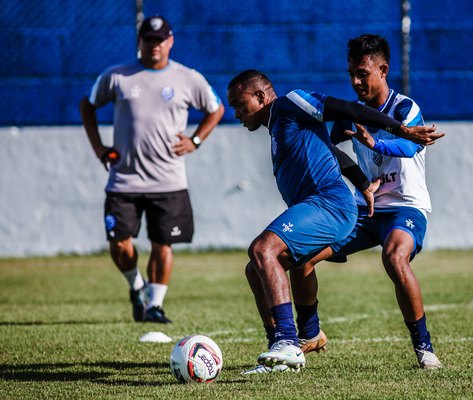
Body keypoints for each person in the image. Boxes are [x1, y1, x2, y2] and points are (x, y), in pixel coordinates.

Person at [226, 69, 443, 374]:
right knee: (257, 268)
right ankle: (282, 348)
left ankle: (288, 341)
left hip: (331, 205)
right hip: (329, 206)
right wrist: (363, 182)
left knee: (263, 250)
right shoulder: (280, 125)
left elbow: (350, 109)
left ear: (260, 96)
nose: (235, 112)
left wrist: (400, 130)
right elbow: (327, 149)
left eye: (239, 103)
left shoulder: (291, 102)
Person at [290, 34, 444, 370]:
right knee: (300, 256)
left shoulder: (404, 108)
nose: (356, 81)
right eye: (351, 74)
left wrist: (375, 143)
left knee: (394, 257)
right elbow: (328, 149)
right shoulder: (349, 116)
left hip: (406, 207)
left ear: (383, 70)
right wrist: (359, 180)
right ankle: (312, 334)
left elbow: (412, 146)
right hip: (366, 210)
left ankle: (424, 348)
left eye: (363, 73)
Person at [79, 15, 224, 324]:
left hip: (169, 180)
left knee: (163, 244)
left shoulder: (188, 78)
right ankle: (137, 287)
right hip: (123, 180)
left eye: (160, 40)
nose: (154, 45)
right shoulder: (117, 76)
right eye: (148, 39)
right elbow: (88, 105)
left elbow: (216, 108)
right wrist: (98, 148)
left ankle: (155, 306)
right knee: (119, 243)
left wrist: (195, 140)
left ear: (170, 41)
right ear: (140, 41)